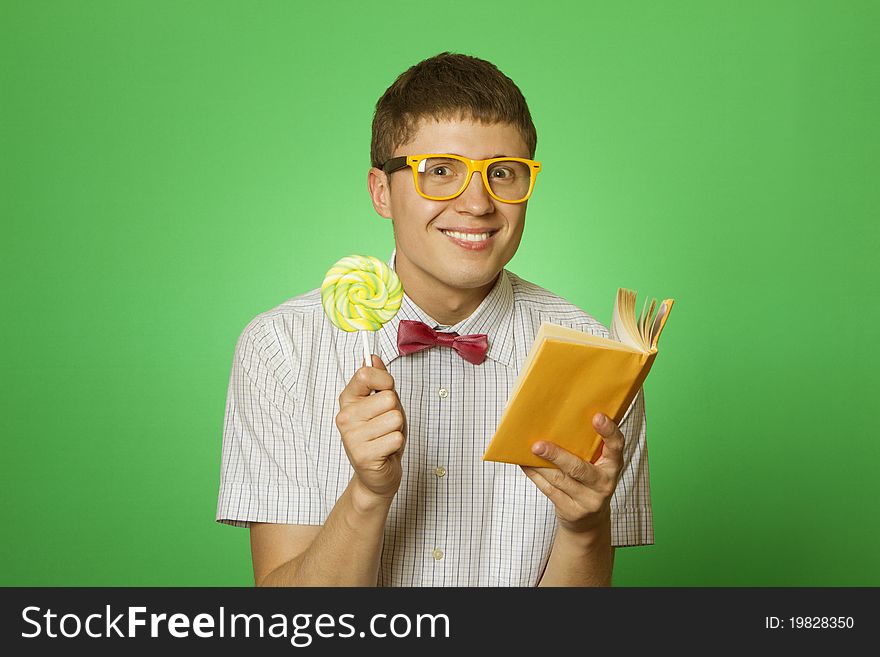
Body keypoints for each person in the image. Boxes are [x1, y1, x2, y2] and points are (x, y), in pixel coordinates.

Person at [216, 52, 653, 586]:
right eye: (439, 172)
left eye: (503, 174)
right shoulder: (280, 348)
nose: (477, 203)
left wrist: (584, 528)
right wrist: (367, 494)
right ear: (382, 191)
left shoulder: (597, 357)